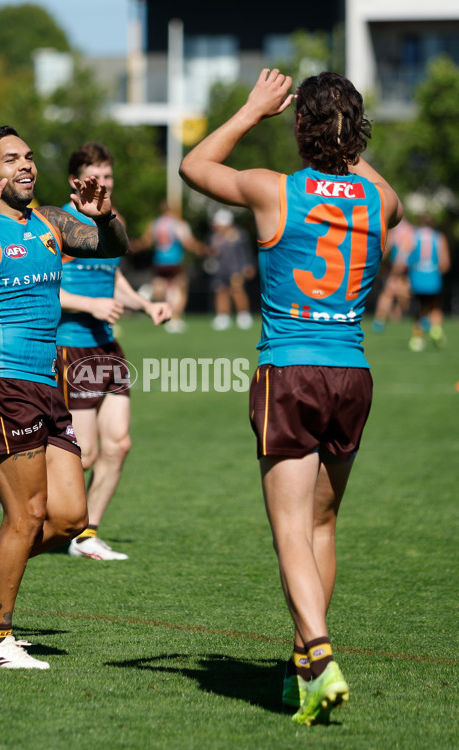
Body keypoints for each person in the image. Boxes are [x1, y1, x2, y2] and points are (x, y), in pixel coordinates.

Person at [180, 69, 402, 725]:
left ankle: (321, 654)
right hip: (352, 374)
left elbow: (196, 166)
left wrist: (254, 109)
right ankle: (301, 668)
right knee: (323, 526)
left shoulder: (273, 190)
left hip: (291, 372)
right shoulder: (375, 202)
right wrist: (340, 131)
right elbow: (382, 189)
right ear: (356, 131)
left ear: (299, 128)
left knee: (289, 533)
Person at [0, 125, 129, 669]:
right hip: (0, 384)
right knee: (26, 515)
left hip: (46, 385)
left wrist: (105, 212)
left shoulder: (51, 222)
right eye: (11, 158)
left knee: (67, 519)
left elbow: (116, 248)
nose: (26, 166)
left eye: (29, 156)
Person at [0, 142, 172, 559]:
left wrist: (144, 303)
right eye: (97, 178)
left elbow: (112, 277)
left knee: (118, 445)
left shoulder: (106, 221)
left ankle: (86, 535)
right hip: (70, 346)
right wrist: (89, 305)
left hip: (107, 344)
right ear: (75, 181)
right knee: (81, 455)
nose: (105, 186)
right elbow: (43, 284)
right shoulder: (54, 223)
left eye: (110, 178)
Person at [135, 201, 204, 333]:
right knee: (181, 287)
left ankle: (147, 291)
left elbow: (146, 241)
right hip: (175, 261)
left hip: (159, 261)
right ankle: (175, 318)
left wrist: (136, 246)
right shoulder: (178, 224)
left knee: (160, 289)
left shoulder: (154, 224)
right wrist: (201, 249)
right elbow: (188, 242)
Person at [401, 215, 451, 351]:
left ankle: (417, 338)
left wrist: (403, 275)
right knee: (434, 304)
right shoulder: (439, 237)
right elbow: (445, 263)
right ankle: (436, 329)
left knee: (418, 307)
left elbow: (403, 258)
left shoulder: (413, 236)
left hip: (417, 276)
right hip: (433, 276)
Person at [206, 208, 256, 331]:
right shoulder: (214, 237)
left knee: (237, 291)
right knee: (221, 291)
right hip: (220, 270)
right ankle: (223, 316)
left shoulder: (239, 235)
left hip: (235, 269)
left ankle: (243, 315)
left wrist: (248, 265)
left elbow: (245, 252)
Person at [370, 217, 414, 332]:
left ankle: (382, 319)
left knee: (392, 292)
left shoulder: (394, 229)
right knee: (392, 291)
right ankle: (385, 318)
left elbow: (387, 247)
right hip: (409, 267)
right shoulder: (410, 228)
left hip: (399, 265)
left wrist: (376, 260)